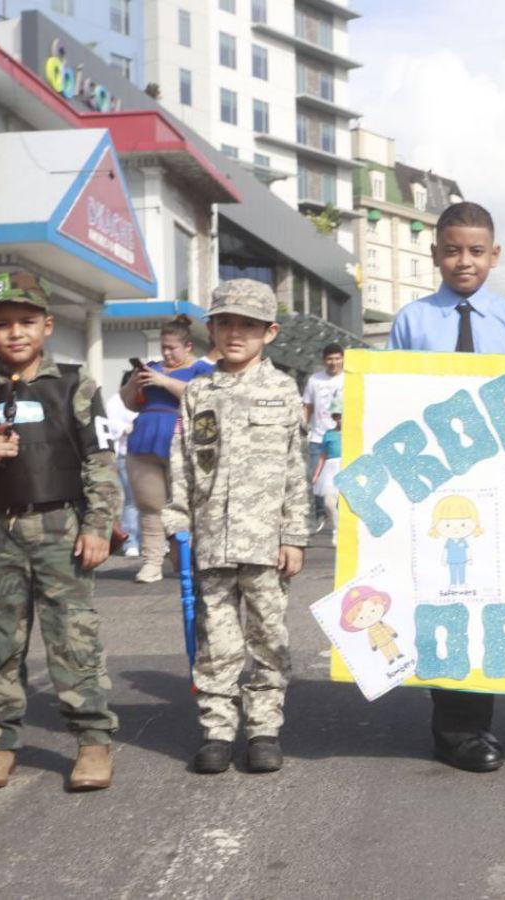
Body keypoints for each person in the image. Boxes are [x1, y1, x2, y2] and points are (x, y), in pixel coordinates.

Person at [0, 270, 121, 792]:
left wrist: (98, 526)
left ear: (46, 325)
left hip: (63, 525)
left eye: (25, 322)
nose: (14, 333)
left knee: (73, 636)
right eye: (1, 325)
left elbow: (101, 461)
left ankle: (92, 739)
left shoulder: (76, 385)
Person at [387, 200, 505, 773]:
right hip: (433, 476)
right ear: (434, 255)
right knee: (443, 594)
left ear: (494, 255)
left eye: (476, 251)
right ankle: (455, 728)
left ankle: (478, 723)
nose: (463, 262)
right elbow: (392, 400)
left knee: (486, 597)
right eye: (452, 250)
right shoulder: (412, 320)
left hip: (495, 476)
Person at [164, 279, 309, 775]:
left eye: (248, 325)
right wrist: (177, 522)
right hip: (210, 538)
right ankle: (218, 730)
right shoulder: (198, 390)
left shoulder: (283, 389)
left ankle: (264, 728)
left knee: (269, 637)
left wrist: (294, 535)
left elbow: (295, 467)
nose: (235, 333)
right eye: (225, 322)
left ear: (269, 332)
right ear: (212, 328)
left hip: (266, 542)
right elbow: (182, 461)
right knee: (217, 642)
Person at [122, 316, 214, 583]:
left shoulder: (201, 370)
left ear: (187, 346)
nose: (166, 353)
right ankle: (151, 562)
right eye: (163, 347)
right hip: (144, 442)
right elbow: (130, 403)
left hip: (183, 444)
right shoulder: (152, 368)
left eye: (171, 347)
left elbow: (203, 399)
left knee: (184, 507)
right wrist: (135, 382)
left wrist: (164, 382)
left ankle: (185, 559)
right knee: (149, 506)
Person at [302, 343, 345, 530]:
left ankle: (342, 515)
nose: (333, 362)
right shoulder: (315, 380)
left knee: (343, 478)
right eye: (329, 359)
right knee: (315, 478)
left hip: (341, 437)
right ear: (323, 360)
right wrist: (302, 429)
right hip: (318, 437)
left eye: (337, 358)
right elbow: (307, 406)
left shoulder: (349, 378)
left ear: (343, 358)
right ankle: (319, 515)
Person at [106, 373, 140, 557]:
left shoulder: (148, 397)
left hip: (147, 455)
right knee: (131, 502)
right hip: (125, 455)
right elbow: (110, 425)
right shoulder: (115, 401)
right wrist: (125, 428)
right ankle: (131, 541)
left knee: (153, 502)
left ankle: (153, 542)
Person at [311, 393, 343, 546]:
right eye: (338, 416)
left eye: (344, 415)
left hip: (348, 469)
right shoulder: (329, 435)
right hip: (331, 469)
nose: (341, 419)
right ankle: (337, 530)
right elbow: (323, 456)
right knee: (329, 501)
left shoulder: (355, 434)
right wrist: (316, 475)